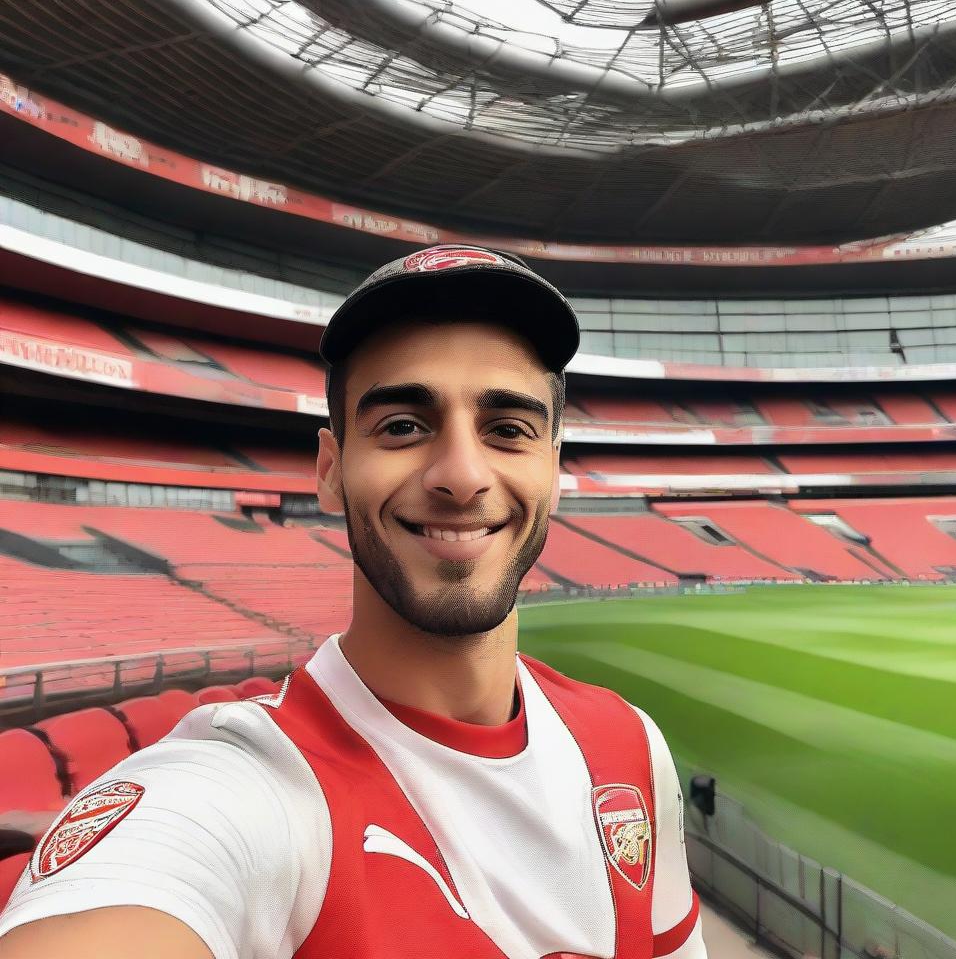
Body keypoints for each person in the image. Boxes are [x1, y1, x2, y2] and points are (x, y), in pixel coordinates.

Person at [0, 244, 708, 959]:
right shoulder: (244, 789)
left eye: (508, 430)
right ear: (331, 472)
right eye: (403, 426)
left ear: (553, 472)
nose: (462, 475)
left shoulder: (630, 746)